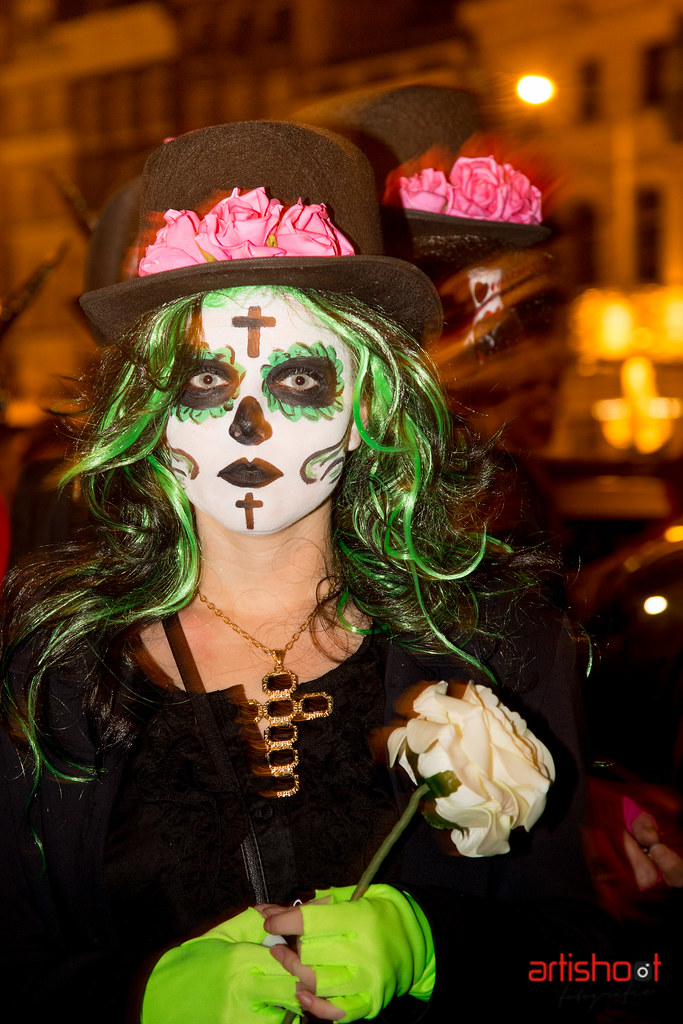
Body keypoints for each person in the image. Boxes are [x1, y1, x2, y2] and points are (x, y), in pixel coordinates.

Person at [1, 120, 606, 1024]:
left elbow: (613, 972)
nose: (248, 427)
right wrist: (133, 997)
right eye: (205, 380)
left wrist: (438, 948)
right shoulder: (54, 669)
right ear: (152, 412)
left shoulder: (498, 643)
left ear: (369, 405)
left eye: (298, 380)